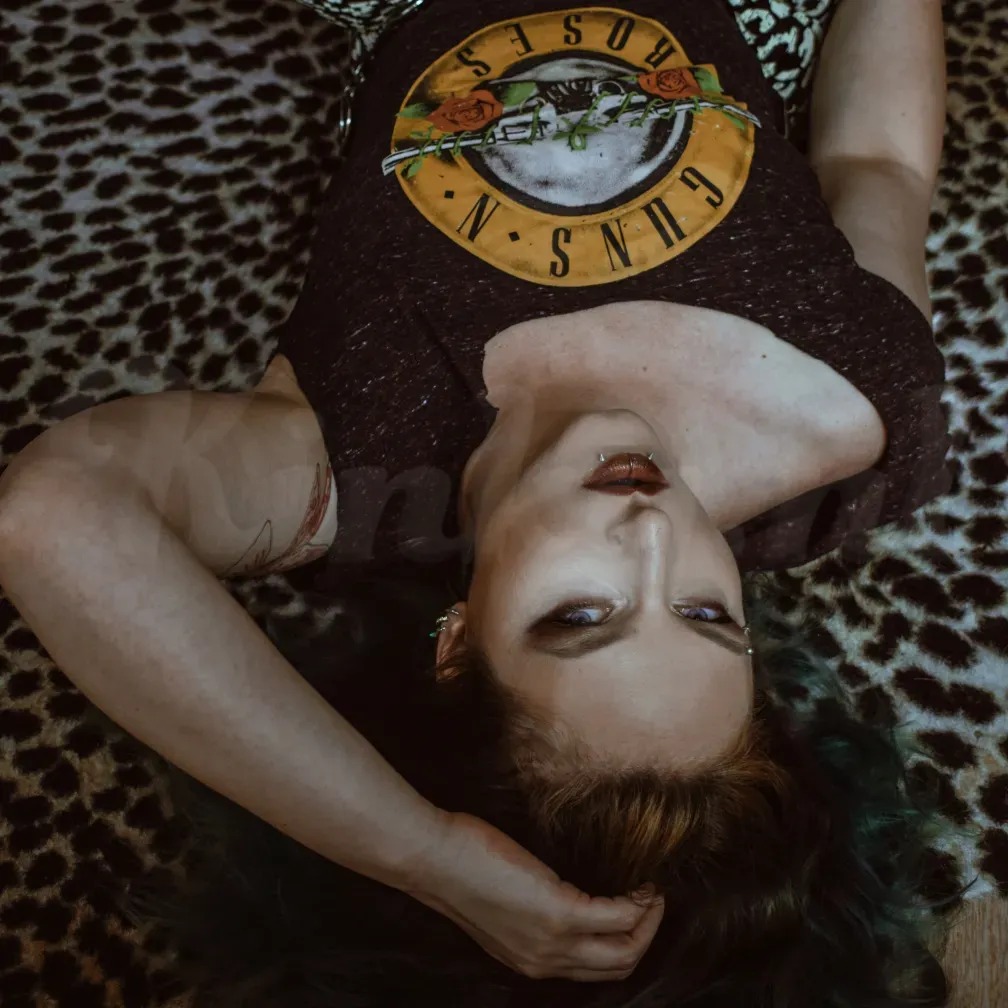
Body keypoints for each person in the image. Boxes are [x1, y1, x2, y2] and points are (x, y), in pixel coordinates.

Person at [0, 0, 951, 996]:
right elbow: (879, 164)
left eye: (581, 615)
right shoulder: (845, 410)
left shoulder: (349, 476)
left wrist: (423, 854)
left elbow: (53, 515)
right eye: (706, 613)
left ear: (457, 644)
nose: (650, 536)